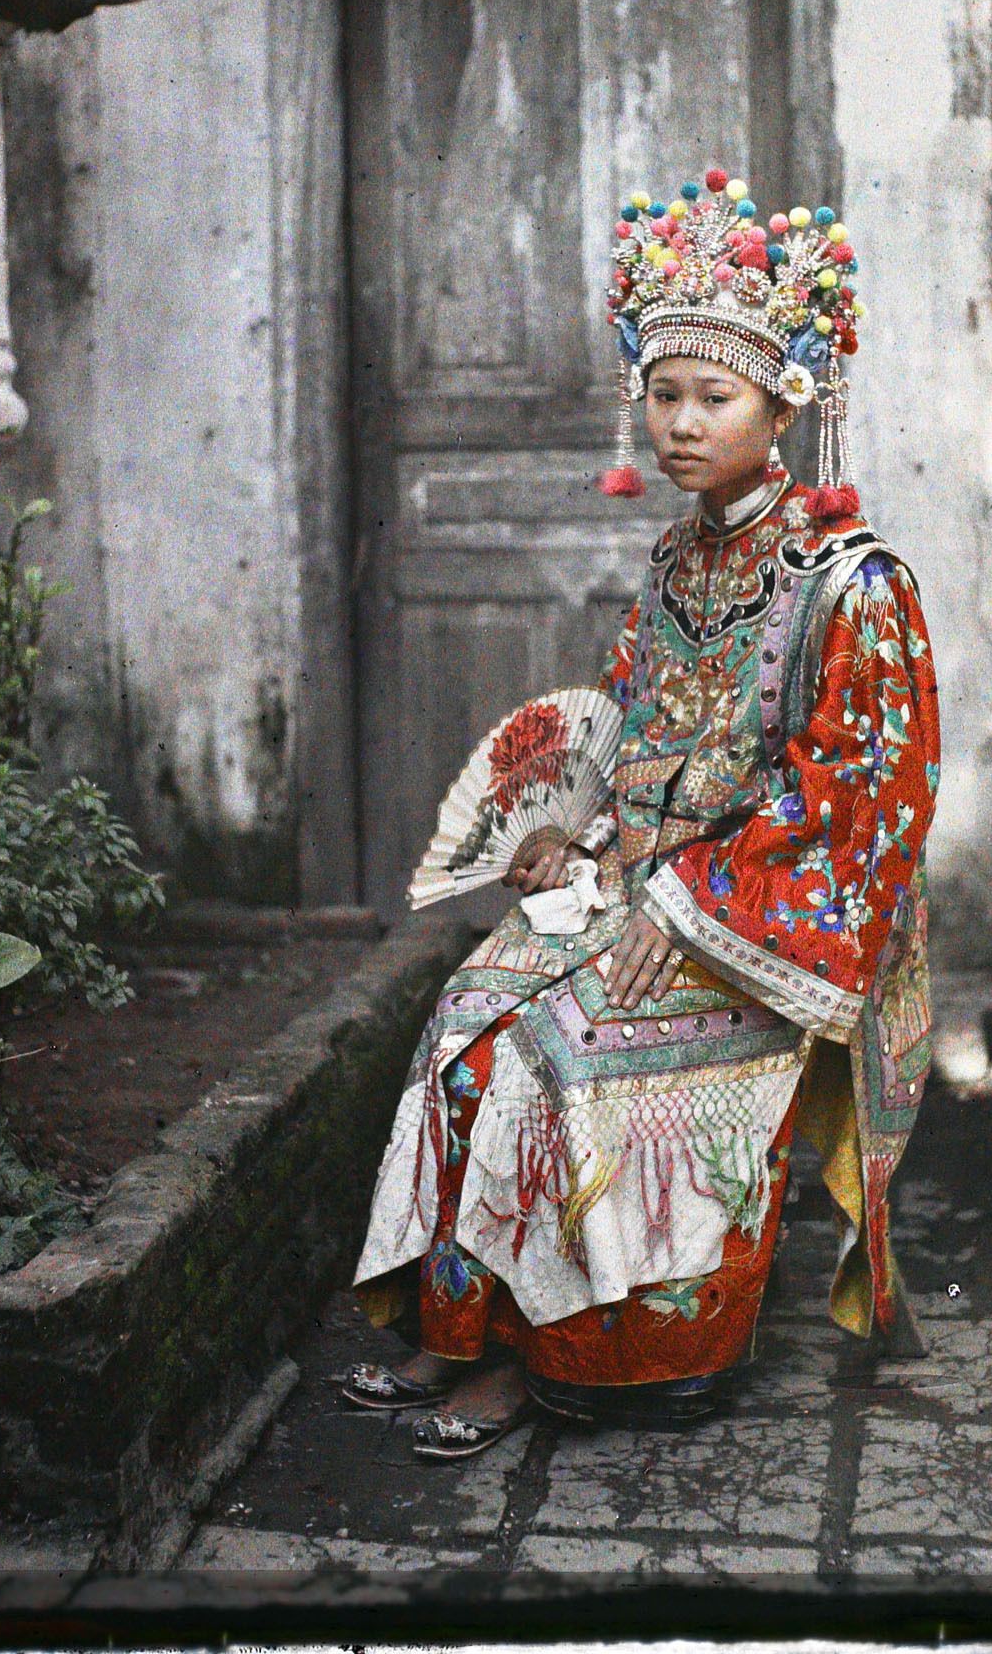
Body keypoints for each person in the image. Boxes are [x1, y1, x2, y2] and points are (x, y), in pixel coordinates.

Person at [342, 172, 941, 1458]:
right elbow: (625, 725)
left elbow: (861, 798)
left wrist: (687, 900)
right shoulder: (676, 560)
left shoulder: (853, 585)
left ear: (783, 405)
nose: (679, 422)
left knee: (557, 1055)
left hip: (760, 923)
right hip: (638, 884)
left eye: (711, 396)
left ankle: (558, 1361)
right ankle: (464, 1331)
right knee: (463, 1019)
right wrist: (575, 832)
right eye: (663, 393)